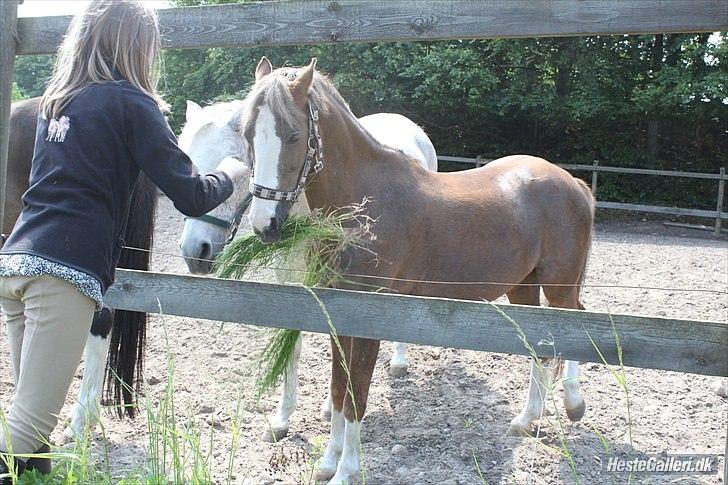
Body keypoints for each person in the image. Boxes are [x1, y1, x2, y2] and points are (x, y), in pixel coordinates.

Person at [0, 1, 246, 481]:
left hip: (14, 266)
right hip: (61, 276)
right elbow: (193, 196)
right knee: (22, 436)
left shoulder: (57, 100)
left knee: (28, 435)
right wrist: (229, 174)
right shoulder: (134, 105)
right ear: (139, 47)